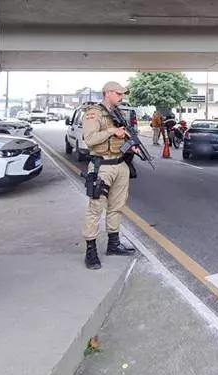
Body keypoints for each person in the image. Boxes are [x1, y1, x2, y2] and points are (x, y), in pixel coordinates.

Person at [81, 81, 137, 270]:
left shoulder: (119, 113)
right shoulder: (93, 113)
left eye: (122, 94)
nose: (121, 97)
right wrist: (113, 131)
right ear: (107, 93)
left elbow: (121, 137)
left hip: (120, 164)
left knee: (117, 207)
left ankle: (113, 244)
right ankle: (91, 250)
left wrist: (130, 144)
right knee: (95, 209)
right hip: (101, 166)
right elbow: (89, 140)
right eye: (118, 93)